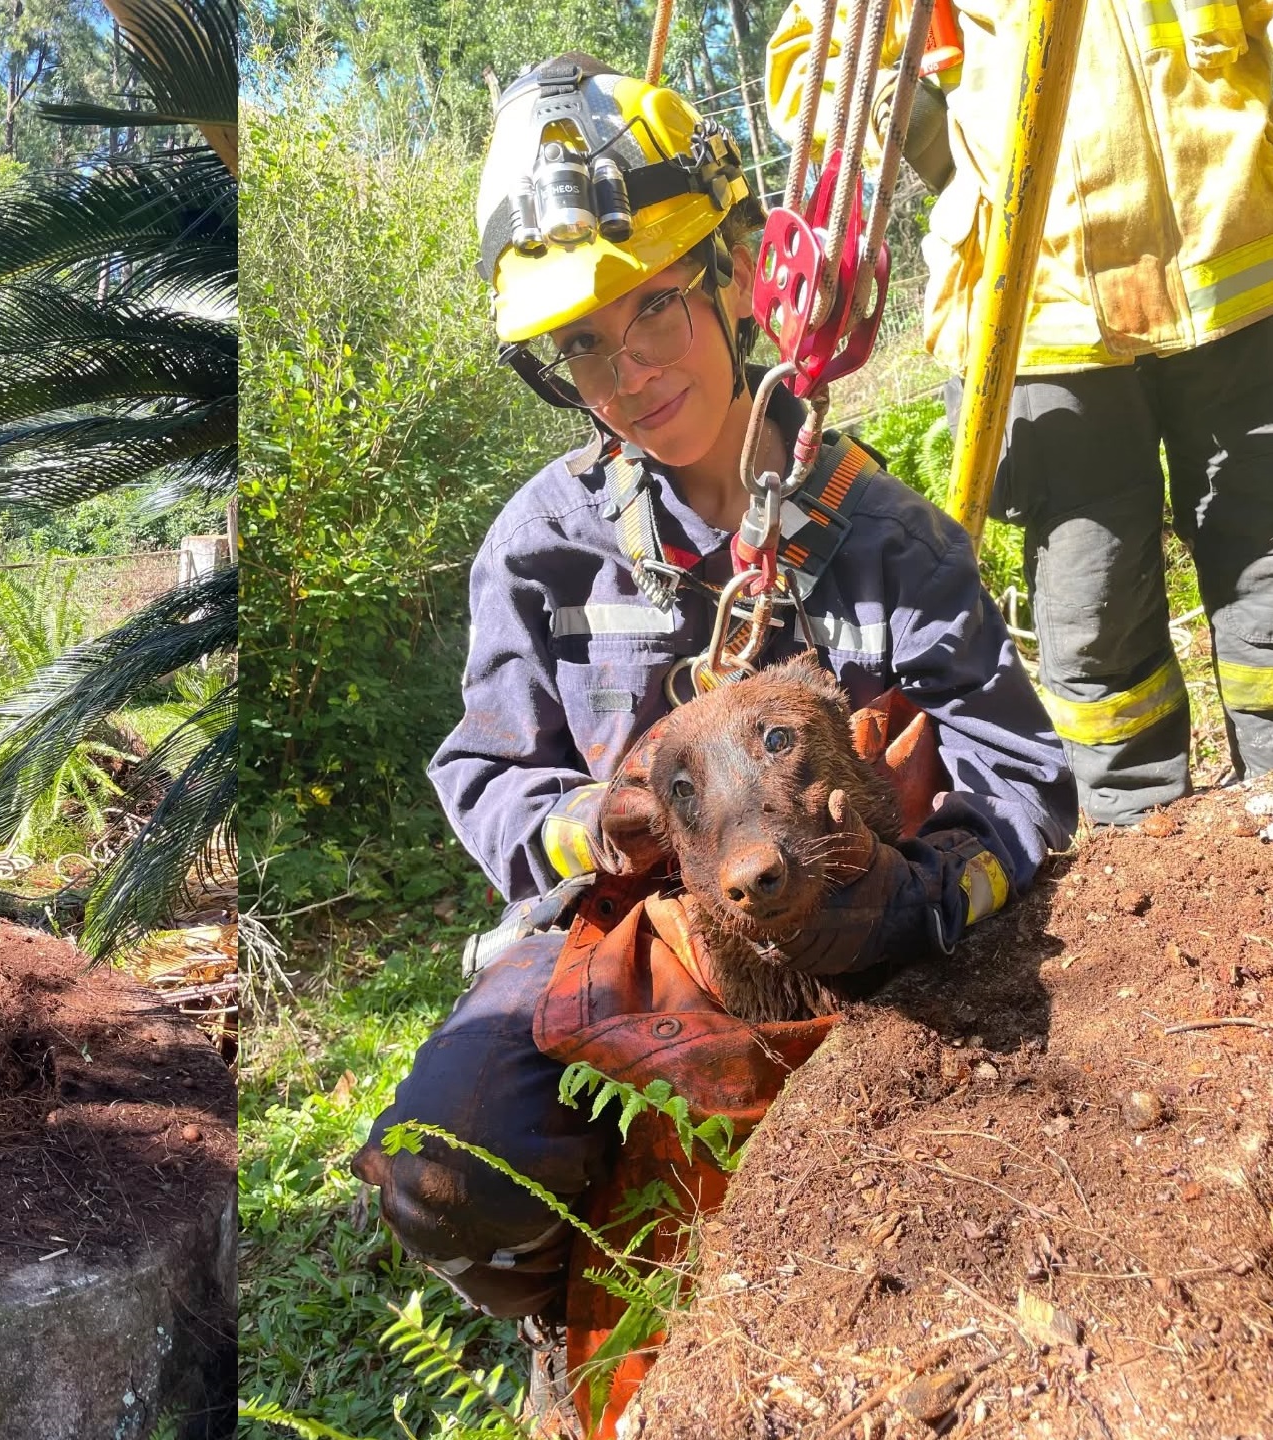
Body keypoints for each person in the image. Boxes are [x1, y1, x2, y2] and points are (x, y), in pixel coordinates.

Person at [347, 53, 1075, 1430]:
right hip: (633, 934)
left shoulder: (880, 533)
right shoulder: (544, 547)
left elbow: (1024, 776)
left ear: (736, 277)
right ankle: (568, 1321)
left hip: (866, 926)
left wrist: (912, 911)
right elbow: (486, 773)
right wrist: (596, 826)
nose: (629, 372)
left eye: (657, 311)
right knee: (444, 1170)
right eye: (583, 347)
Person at [768, 0, 1273, 824]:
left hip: (1241, 278)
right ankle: (1144, 843)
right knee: (1095, 610)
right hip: (1044, 319)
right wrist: (932, 138)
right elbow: (811, 67)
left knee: (1269, 570)